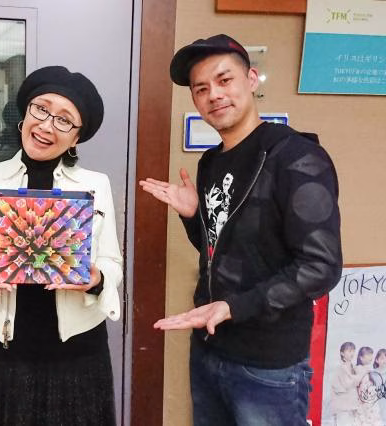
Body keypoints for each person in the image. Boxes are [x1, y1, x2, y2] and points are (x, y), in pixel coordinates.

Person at [140, 34, 342, 425]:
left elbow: (321, 266)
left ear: (251, 79)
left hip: (268, 364)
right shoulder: (210, 162)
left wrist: (233, 307)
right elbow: (221, 249)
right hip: (210, 348)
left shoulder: (296, 157)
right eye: (201, 89)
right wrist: (194, 216)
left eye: (224, 80)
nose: (214, 95)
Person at [0, 66, 122, 425]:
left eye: (64, 120)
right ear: (25, 113)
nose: (46, 125)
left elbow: (111, 262)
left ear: (76, 138)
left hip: (78, 349)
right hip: (8, 348)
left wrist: (97, 279)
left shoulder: (95, 185)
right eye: (41, 109)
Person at [329, 342, 361, 425]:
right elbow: (346, 384)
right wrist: (356, 379)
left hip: (352, 404)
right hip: (342, 406)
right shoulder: (339, 367)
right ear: (342, 353)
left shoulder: (353, 366)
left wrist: (355, 380)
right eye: (349, 351)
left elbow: (356, 382)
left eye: (353, 351)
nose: (352, 353)